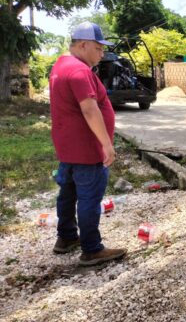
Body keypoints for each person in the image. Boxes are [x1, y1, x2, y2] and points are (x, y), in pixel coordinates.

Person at [49, 21, 127, 266]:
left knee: (68, 194)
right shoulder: (80, 71)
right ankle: (92, 249)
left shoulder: (61, 65)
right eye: (98, 47)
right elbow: (90, 109)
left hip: (68, 148)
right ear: (83, 45)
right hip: (87, 149)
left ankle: (66, 238)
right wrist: (106, 144)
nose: (102, 53)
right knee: (89, 199)